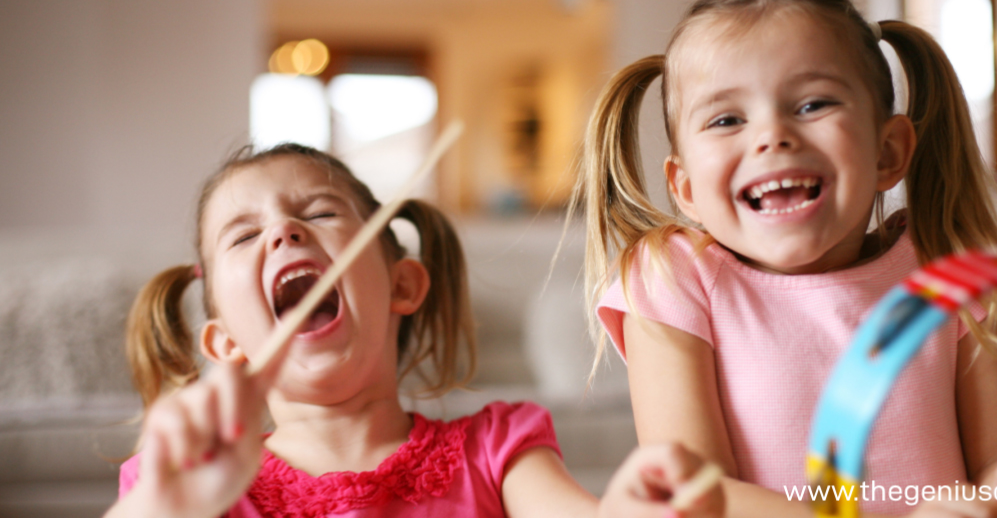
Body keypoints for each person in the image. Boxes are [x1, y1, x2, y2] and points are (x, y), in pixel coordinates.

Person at [571, 0, 997, 517]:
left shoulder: (956, 272)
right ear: (685, 189)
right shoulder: (672, 278)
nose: (773, 136)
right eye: (727, 119)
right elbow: (698, 495)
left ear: (887, 152)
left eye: (813, 105)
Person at [105, 143, 723, 518]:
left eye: (319, 212)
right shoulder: (180, 483)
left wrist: (630, 505)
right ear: (226, 344)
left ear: (402, 285)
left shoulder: (498, 449)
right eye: (243, 235)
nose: (283, 232)